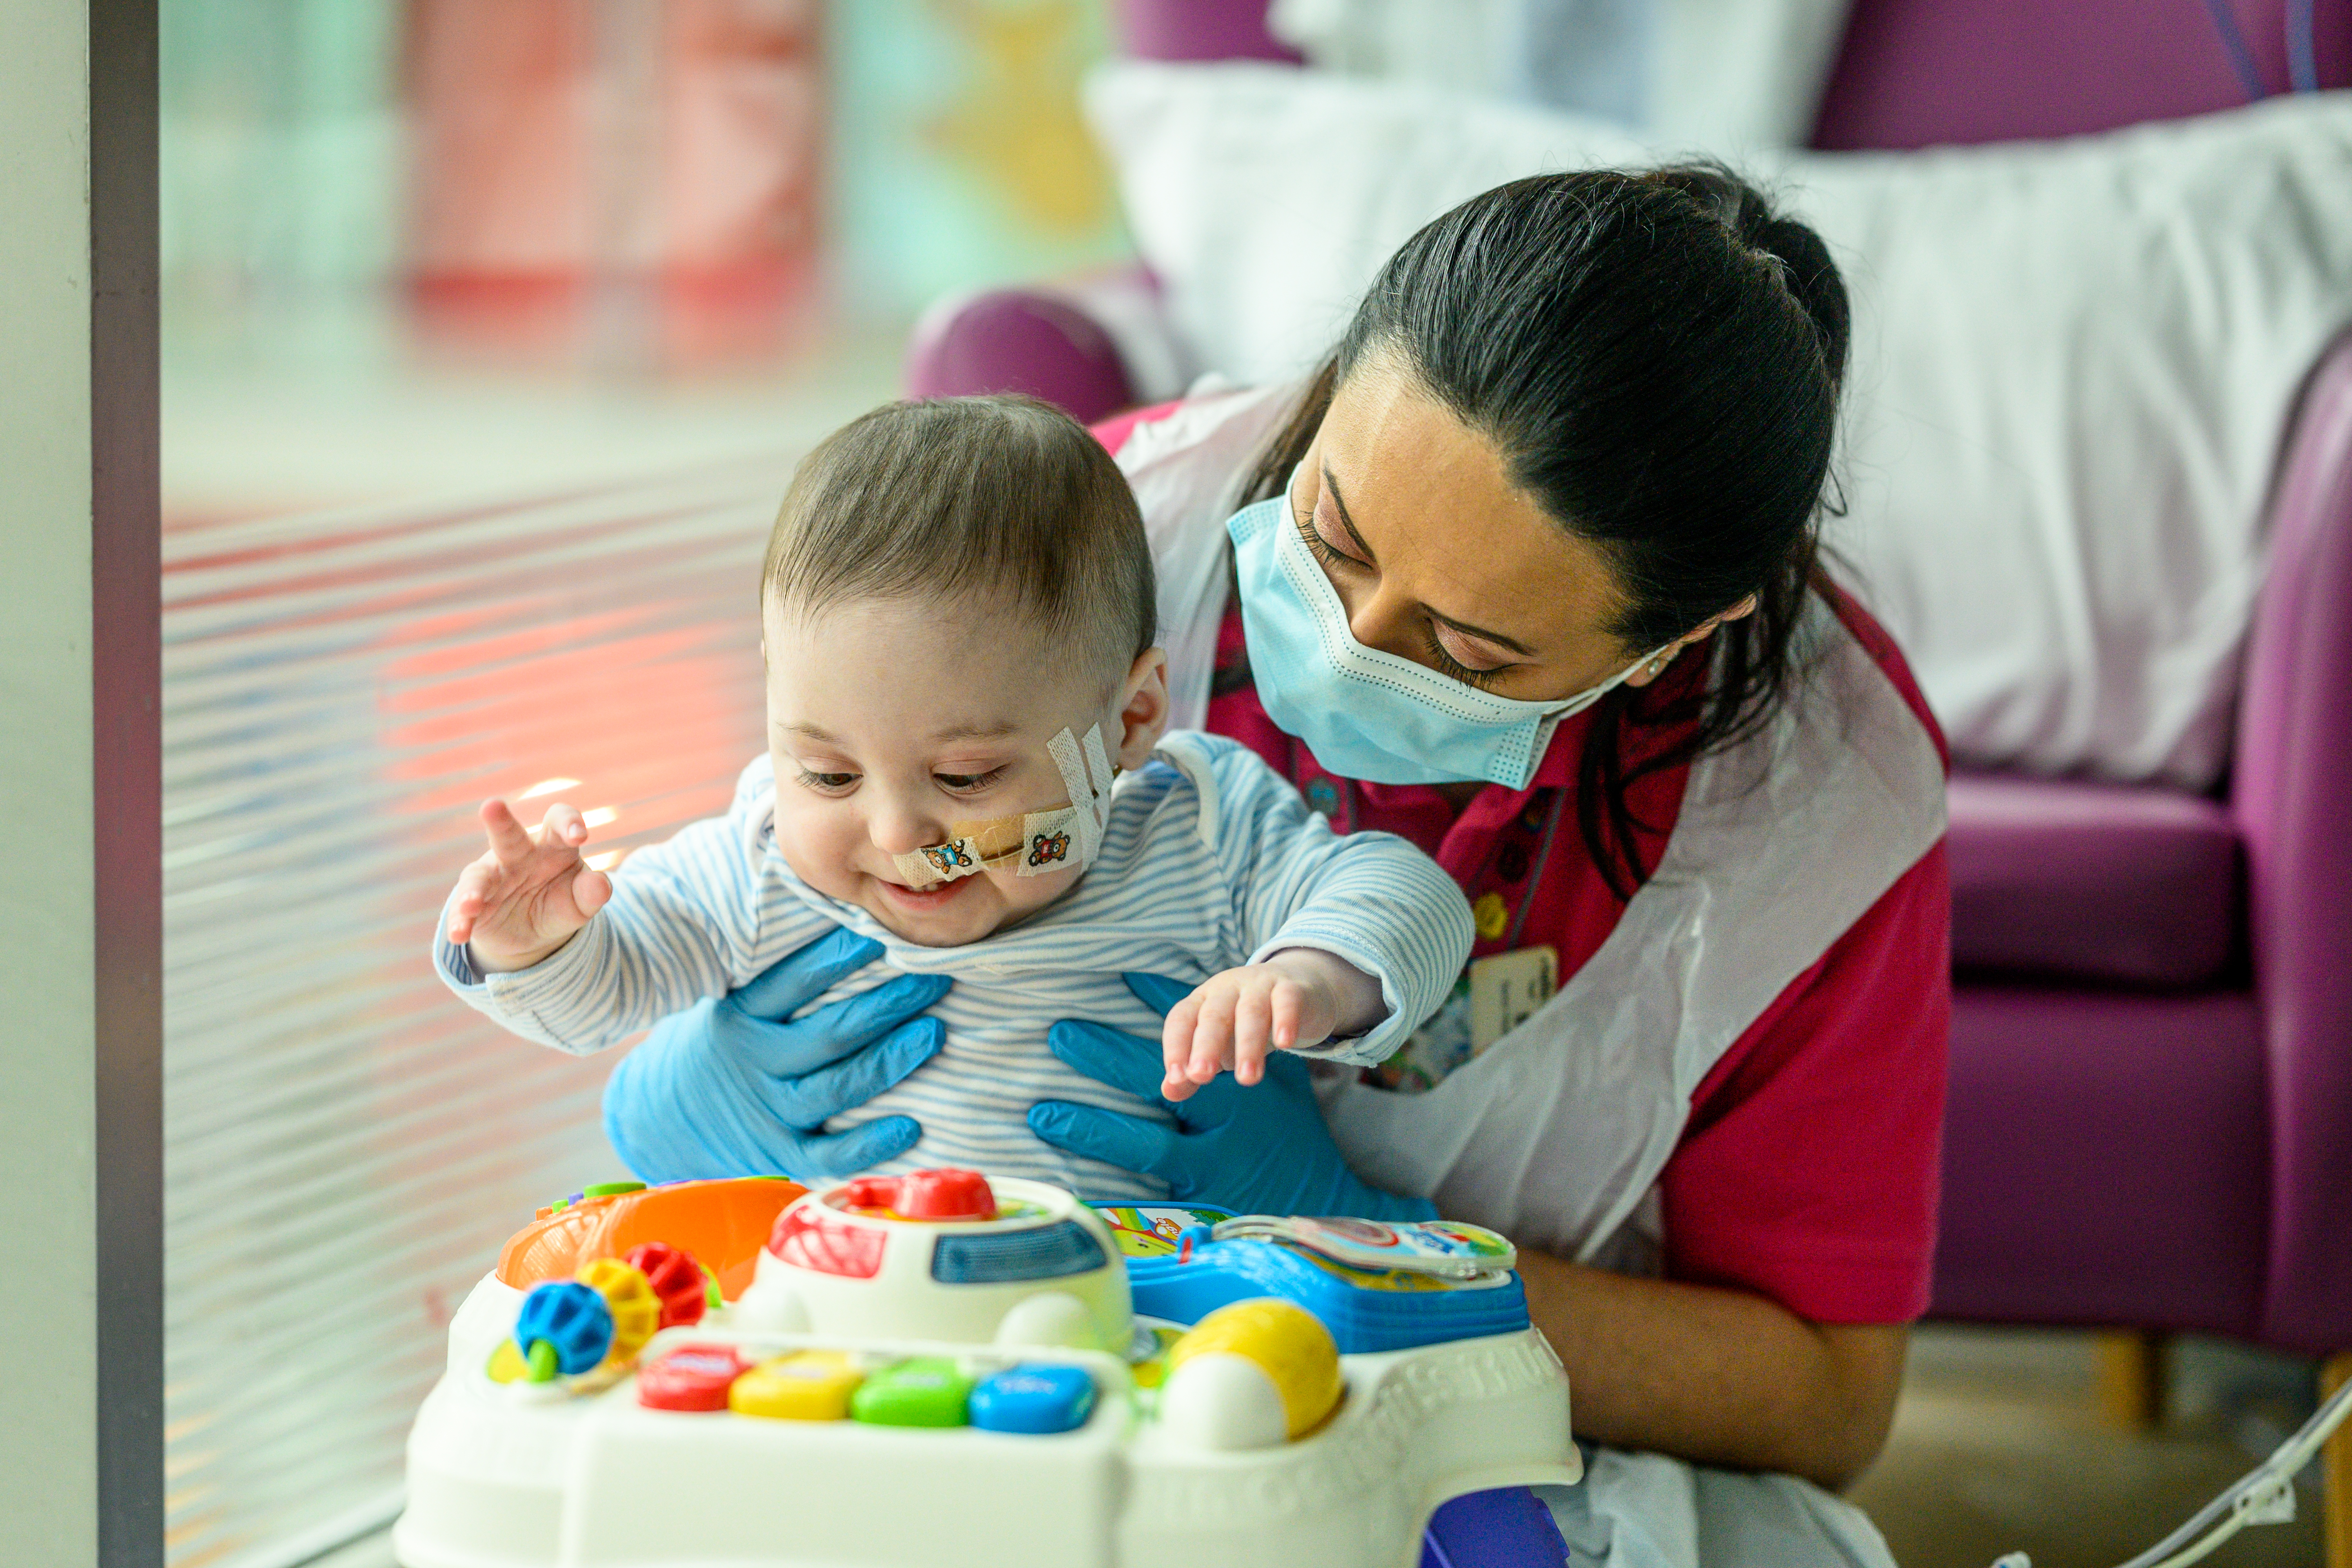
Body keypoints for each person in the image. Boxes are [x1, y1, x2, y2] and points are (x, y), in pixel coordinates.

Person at [605, 167, 1949, 1567]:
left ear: (1684, 633)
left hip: (1466, 1433)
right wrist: (690, 1101)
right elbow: (780, 843)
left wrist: (1358, 1242)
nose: (1356, 636)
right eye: (1334, 535)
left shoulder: (1823, 811)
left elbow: (1826, 1405)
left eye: (1470, 653)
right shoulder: (1075, 552)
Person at [432, 395, 1472, 1197]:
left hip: (1145, 1336)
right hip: (840, 1336)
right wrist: (532, 944)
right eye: (827, 773)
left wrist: (1311, 976)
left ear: (1128, 721)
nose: (893, 833)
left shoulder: (1196, 829)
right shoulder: (762, 860)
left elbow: (1410, 896)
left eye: (967, 778)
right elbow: (606, 993)